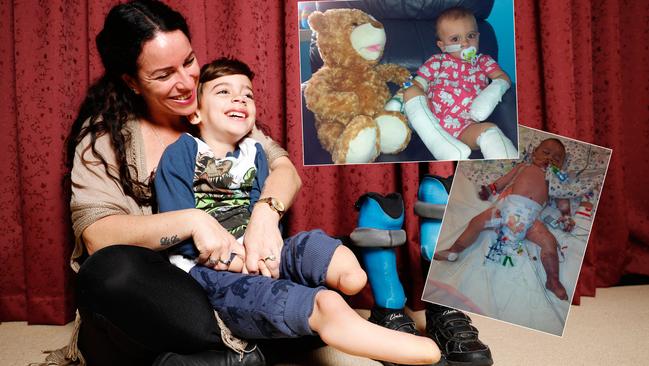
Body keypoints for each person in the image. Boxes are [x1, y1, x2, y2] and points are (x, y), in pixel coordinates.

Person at [154, 57, 441, 365]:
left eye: (247, 94)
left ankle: (348, 279)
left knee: (319, 248)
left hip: (257, 249)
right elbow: (178, 223)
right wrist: (234, 260)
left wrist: (265, 253)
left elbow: (263, 217)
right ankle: (340, 321)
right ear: (196, 112)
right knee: (313, 301)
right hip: (207, 267)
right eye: (224, 92)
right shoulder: (182, 151)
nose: (240, 98)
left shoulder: (256, 154)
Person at [61, 1, 301, 365]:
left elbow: (285, 170)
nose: (188, 82)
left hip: (236, 273)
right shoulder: (105, 139)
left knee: (324, 257)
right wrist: (193, 220)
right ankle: (249, 345)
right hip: (164, 290)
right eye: (164, 74)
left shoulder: (216, 110)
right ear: (131, 82)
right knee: (108, 275)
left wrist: (265, 218)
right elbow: (97, 235)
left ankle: (223, 354)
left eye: (189, 62)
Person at [434, 138, 573, 300]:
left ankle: (553, 280)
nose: (549, 159)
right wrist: (489, 190)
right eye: (546, 152)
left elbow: (562, 199)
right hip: (505, 211)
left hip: (530, 221)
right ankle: (454, 250)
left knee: (549, 241)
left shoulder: (555, 180)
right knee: (476, 222)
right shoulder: (523, 167)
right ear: (535, 152)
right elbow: (502, 182)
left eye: (556, 159)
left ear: (561, 166)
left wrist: (566, 215)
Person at [398, 6, 518, 161]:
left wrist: (491, 94)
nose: (465, 44)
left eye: (471, 36)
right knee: (411, 91)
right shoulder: (437, 61)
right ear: (442, 46)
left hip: (466, 127)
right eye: (455, 39)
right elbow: (419, 84)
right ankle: (438, 141)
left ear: (478, 37)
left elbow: (503, 77)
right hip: (431, 118)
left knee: (491, 131)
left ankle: (507, 166)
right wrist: (411, 90)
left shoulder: (483, 61)